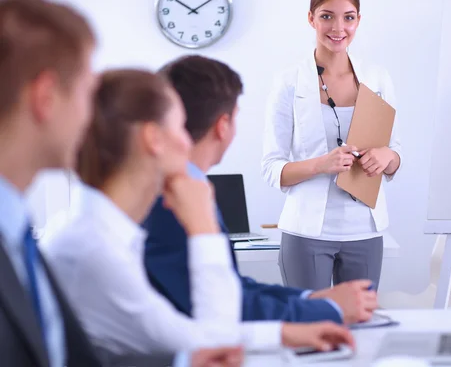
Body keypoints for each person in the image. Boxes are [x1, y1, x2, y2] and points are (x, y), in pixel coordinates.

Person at [41, 68, 355, 359]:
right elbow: (211, 343)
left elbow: (184, 336)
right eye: (179, 126)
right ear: (153, 139)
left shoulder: (99, 233)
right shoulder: (94, 248)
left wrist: (284, 333)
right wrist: (203, 225)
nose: (186, 139)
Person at [0, 0, 238, 367]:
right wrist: (204, 227)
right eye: (86, 92)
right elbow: (215, 343)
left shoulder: (18, 233)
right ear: (46, 98)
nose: (91, 116)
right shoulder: (74, 243)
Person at [143, 55, 377, 325]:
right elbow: (221, 305)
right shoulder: (172, 200)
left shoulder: (184, 187)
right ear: (223, 126)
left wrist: (310, 300)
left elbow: (229, 287)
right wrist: (327, 310)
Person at [261, 0, 403, 292]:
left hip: (365, 230)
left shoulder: (377, 78)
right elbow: (272, 168)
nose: (338, 28)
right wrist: (321, 165)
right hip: (307, 232)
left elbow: (395, 156)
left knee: (360, 333)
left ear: (358, 20)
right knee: (310, 329)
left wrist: (388, 156)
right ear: (311, 18)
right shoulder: (289, 81)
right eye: (327, 16)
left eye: (348, 17)